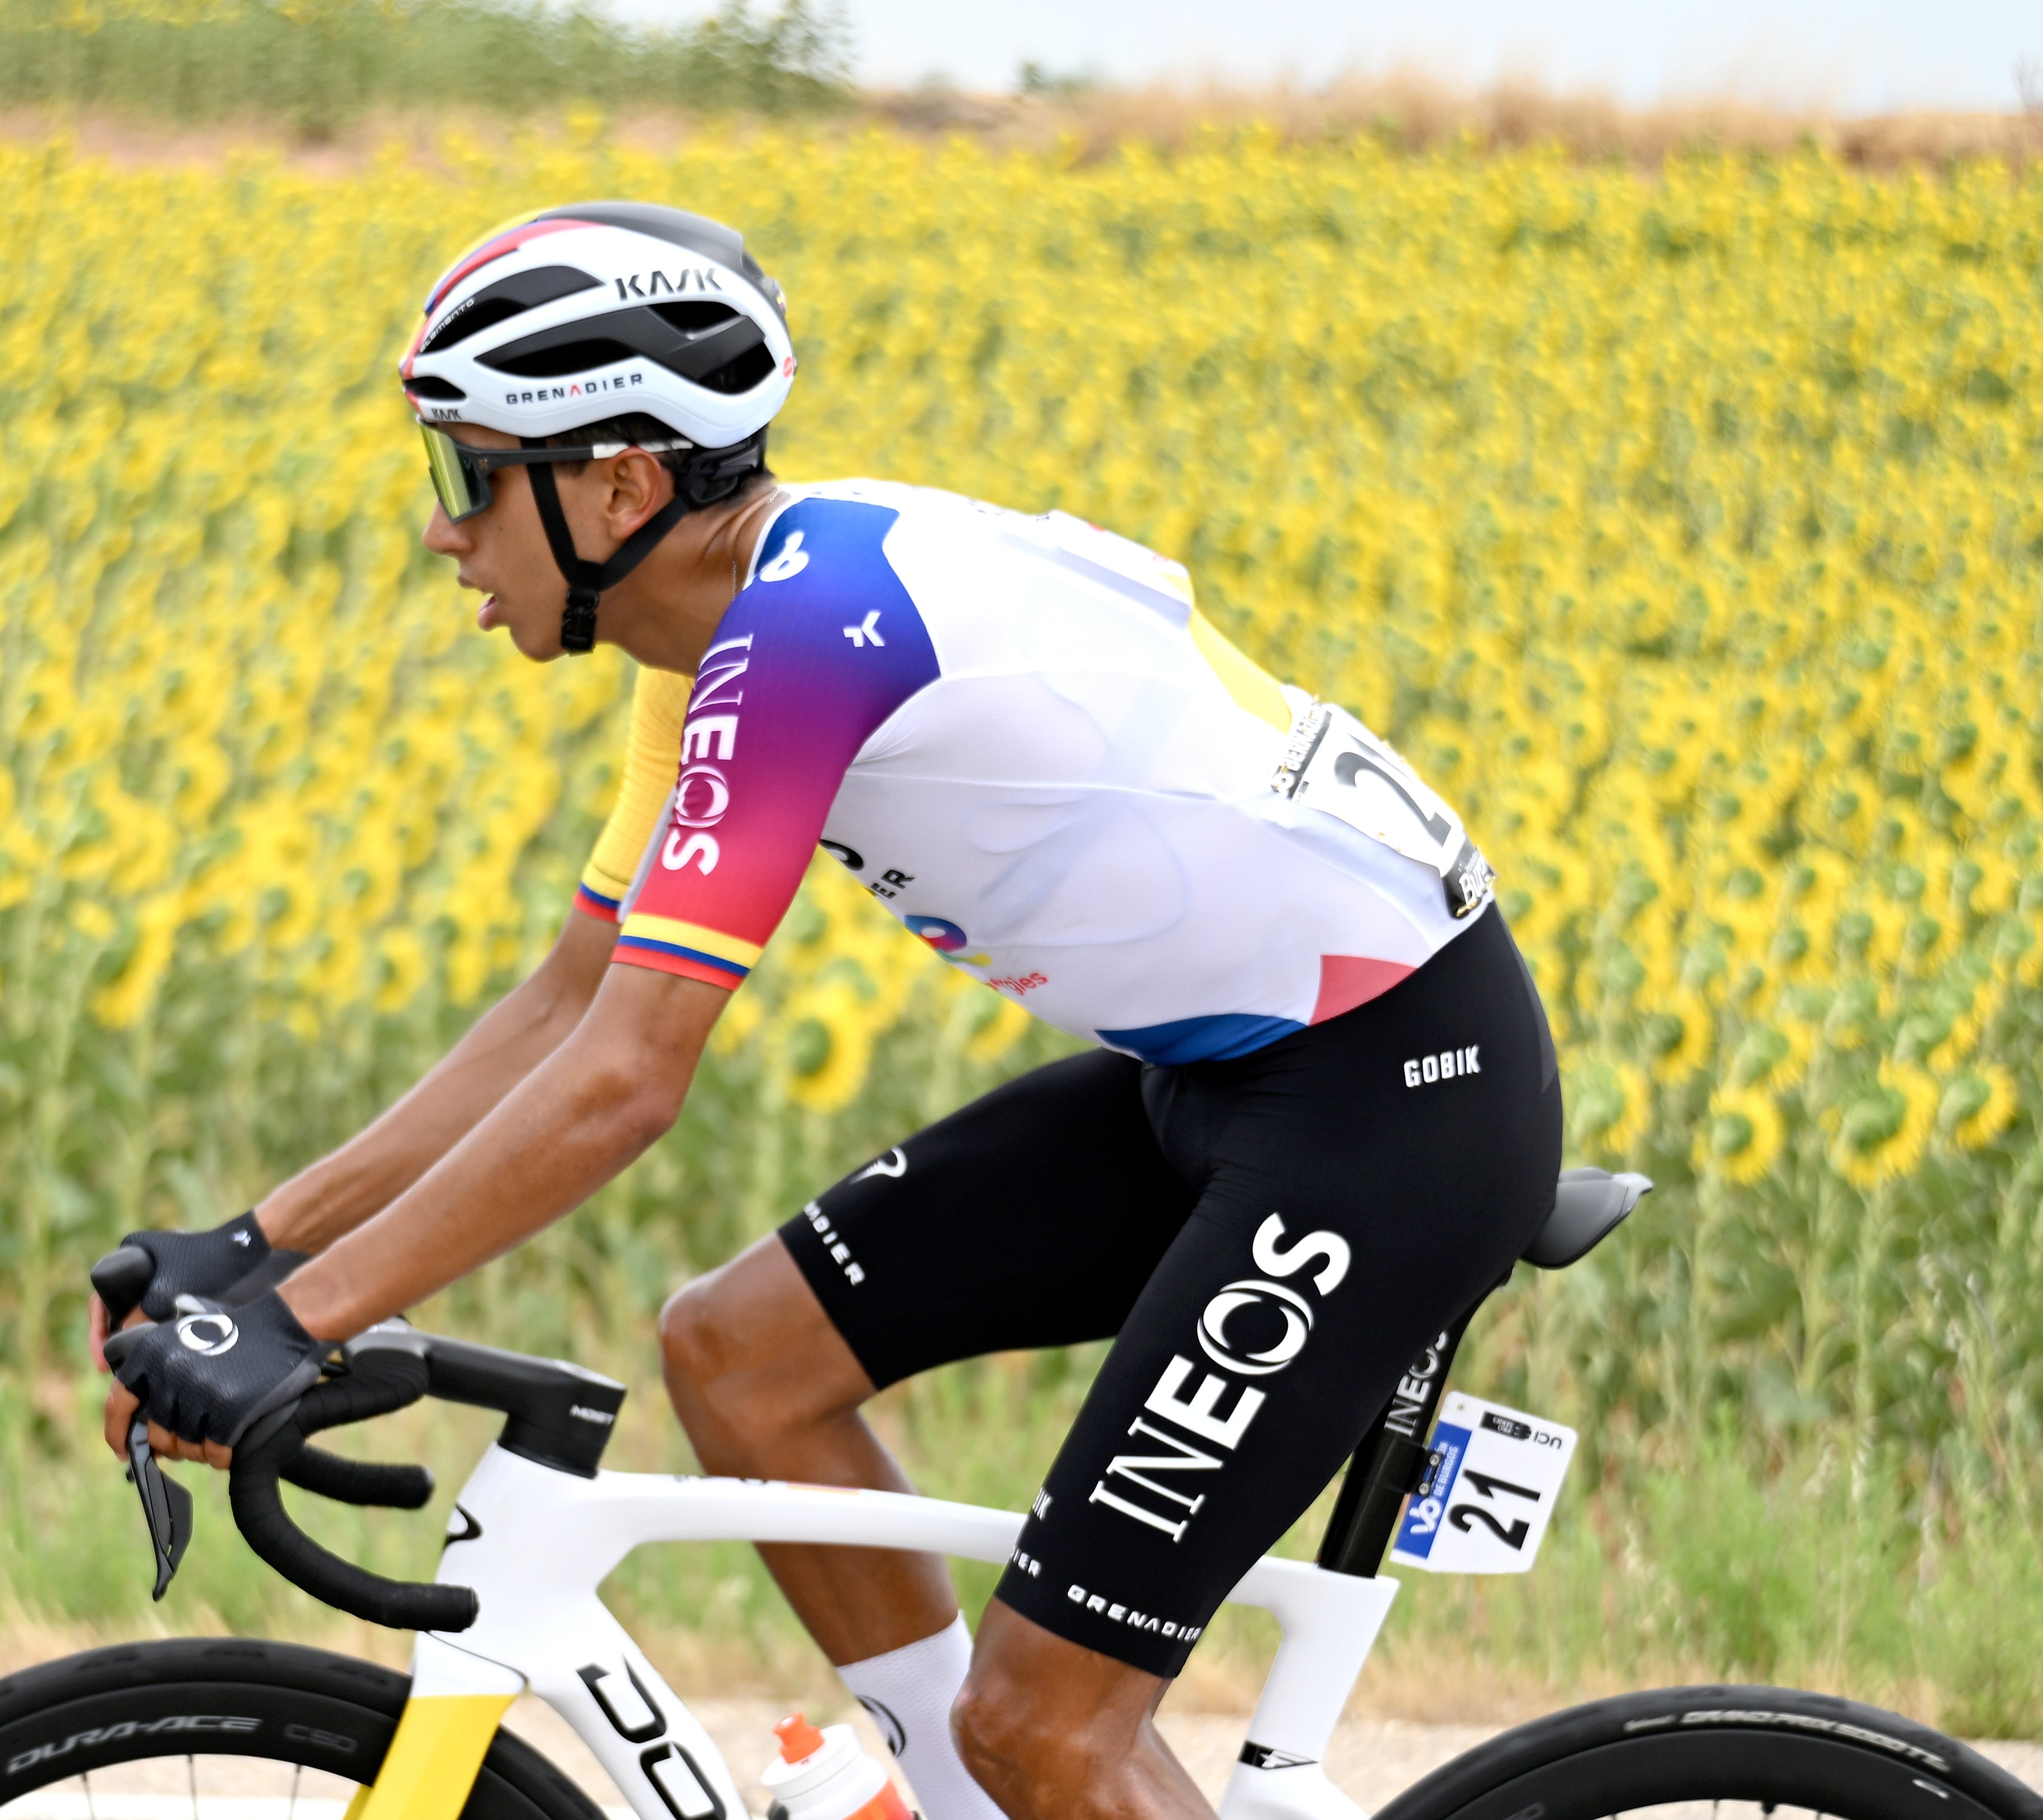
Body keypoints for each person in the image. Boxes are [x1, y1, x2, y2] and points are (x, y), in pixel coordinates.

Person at [94, 200, 1563, 1820]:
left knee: (1047, 1723)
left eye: (472, 476)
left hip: (1389, 1108)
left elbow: (626, 1085)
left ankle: (1002, 1776)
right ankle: (960, 1799)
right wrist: (260, 1246)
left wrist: (299, 1324)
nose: (447, 530)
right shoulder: (725, 631)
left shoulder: (802, 637)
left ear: (617, 486)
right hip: (1223, 1079)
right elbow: (574, 996)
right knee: (739, 1355)